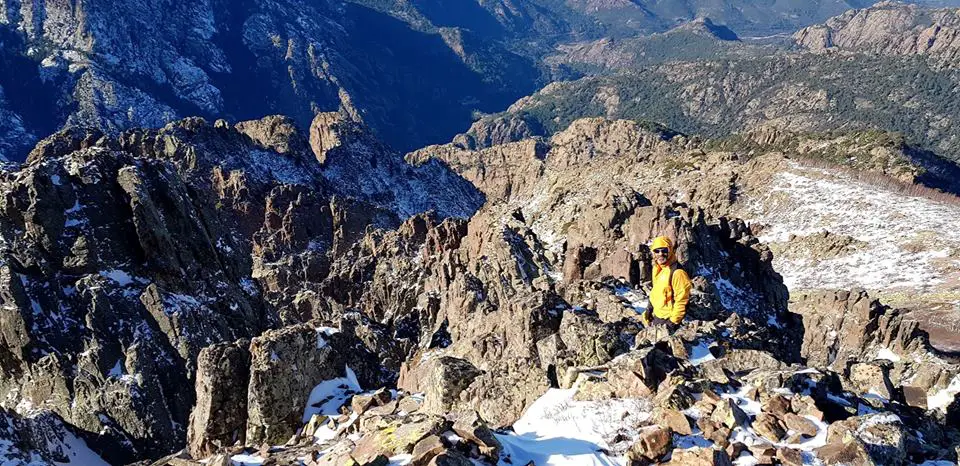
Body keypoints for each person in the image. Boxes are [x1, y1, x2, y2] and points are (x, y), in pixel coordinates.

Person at [641, 236, 692, 332]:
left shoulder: (677, 272)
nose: (660, 254)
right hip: (657, 317)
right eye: (657, 251)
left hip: (668, 320)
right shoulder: (658, 268)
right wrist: (649, 309)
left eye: (664, 250)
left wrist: (672, 323)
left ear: (670, 251)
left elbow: (682, 300)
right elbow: (656, 292)